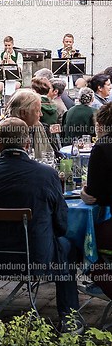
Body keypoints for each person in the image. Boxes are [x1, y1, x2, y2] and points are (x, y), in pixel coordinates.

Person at [0, 117, 80, 332]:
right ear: (27, 143)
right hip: (36, 259)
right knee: (67, 247)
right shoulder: (47, 174)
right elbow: (61, 224)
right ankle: (69, 318)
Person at [80, 103, 112, 300]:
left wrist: (83, 191)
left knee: (81, 240)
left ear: (100, 124)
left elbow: (94, 195)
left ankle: (102, 282)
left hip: (109, 226)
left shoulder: (101, 148)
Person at [0, 89, 57, 161]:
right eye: (37, 111)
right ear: (23, 113)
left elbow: (48, 154)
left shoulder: (38, 126)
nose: (41, 114)